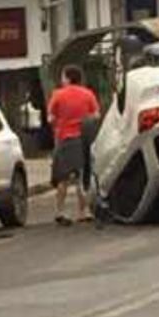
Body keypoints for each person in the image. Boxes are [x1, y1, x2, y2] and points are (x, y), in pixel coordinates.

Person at [47, 65, 100, 226]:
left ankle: (60, 211)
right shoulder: (88, 94)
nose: (61, 80)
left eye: (63, 77)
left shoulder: (58, 95)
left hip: (64, 139)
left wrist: (59, 123)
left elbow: (50, 118)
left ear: (68, 78)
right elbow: (96, 115)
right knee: (82, 176)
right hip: (84, 139)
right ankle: (84, 211)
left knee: (62, 178)